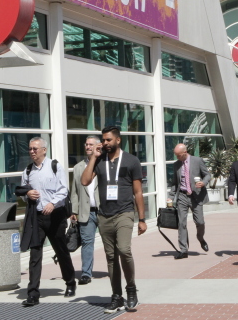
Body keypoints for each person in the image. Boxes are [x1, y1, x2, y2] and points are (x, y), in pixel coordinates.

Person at [81, 126, 146, 313]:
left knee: (124, 250)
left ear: (118, 140)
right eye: (103, 140)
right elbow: (85, 181)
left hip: (124, 213)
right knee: (111, 257)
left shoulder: (131, 161)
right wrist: (93, 156)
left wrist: (141, 219)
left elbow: (138, 192)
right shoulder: (99, 161)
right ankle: (116, 296)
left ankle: (131, 289)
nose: (105, 143)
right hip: (104, 215)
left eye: (108, 140)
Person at [20, 137, 75, 307]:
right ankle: (33, 293)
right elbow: (23, 190)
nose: (32, 151)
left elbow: (63, 190)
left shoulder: (55, 166)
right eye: (30, 149)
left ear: (44, 150)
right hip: (36, 217)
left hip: (55, 216)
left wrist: (53, 203)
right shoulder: (28, 171)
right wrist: (27, 194)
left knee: (61, 250)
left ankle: (70, 282)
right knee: (35, 254)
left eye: (35, 148)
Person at [171, 143, 211, 260]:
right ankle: (183, 250)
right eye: (176, 156)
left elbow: (207, 175)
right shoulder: (176, 165)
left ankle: (200, 238)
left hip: (196, 196)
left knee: (200, 222)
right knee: (181, 223)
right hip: (182, 196)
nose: (177, 158)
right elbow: (174, 183)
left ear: (185, 152)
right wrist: (171, 196)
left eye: (178, 155)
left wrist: (203, 182)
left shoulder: (197, 161)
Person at [70, 136, 100, 285]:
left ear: (97, 147)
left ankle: (115, 270)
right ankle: (86, 274)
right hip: (85, 212)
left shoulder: (104, 164)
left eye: (91, 145)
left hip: (104, 211)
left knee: (111, 243)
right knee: (87, 243)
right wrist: (74, 211)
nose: (87, 147)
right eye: (86, 144)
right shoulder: (78, 167)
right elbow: (74, 192)